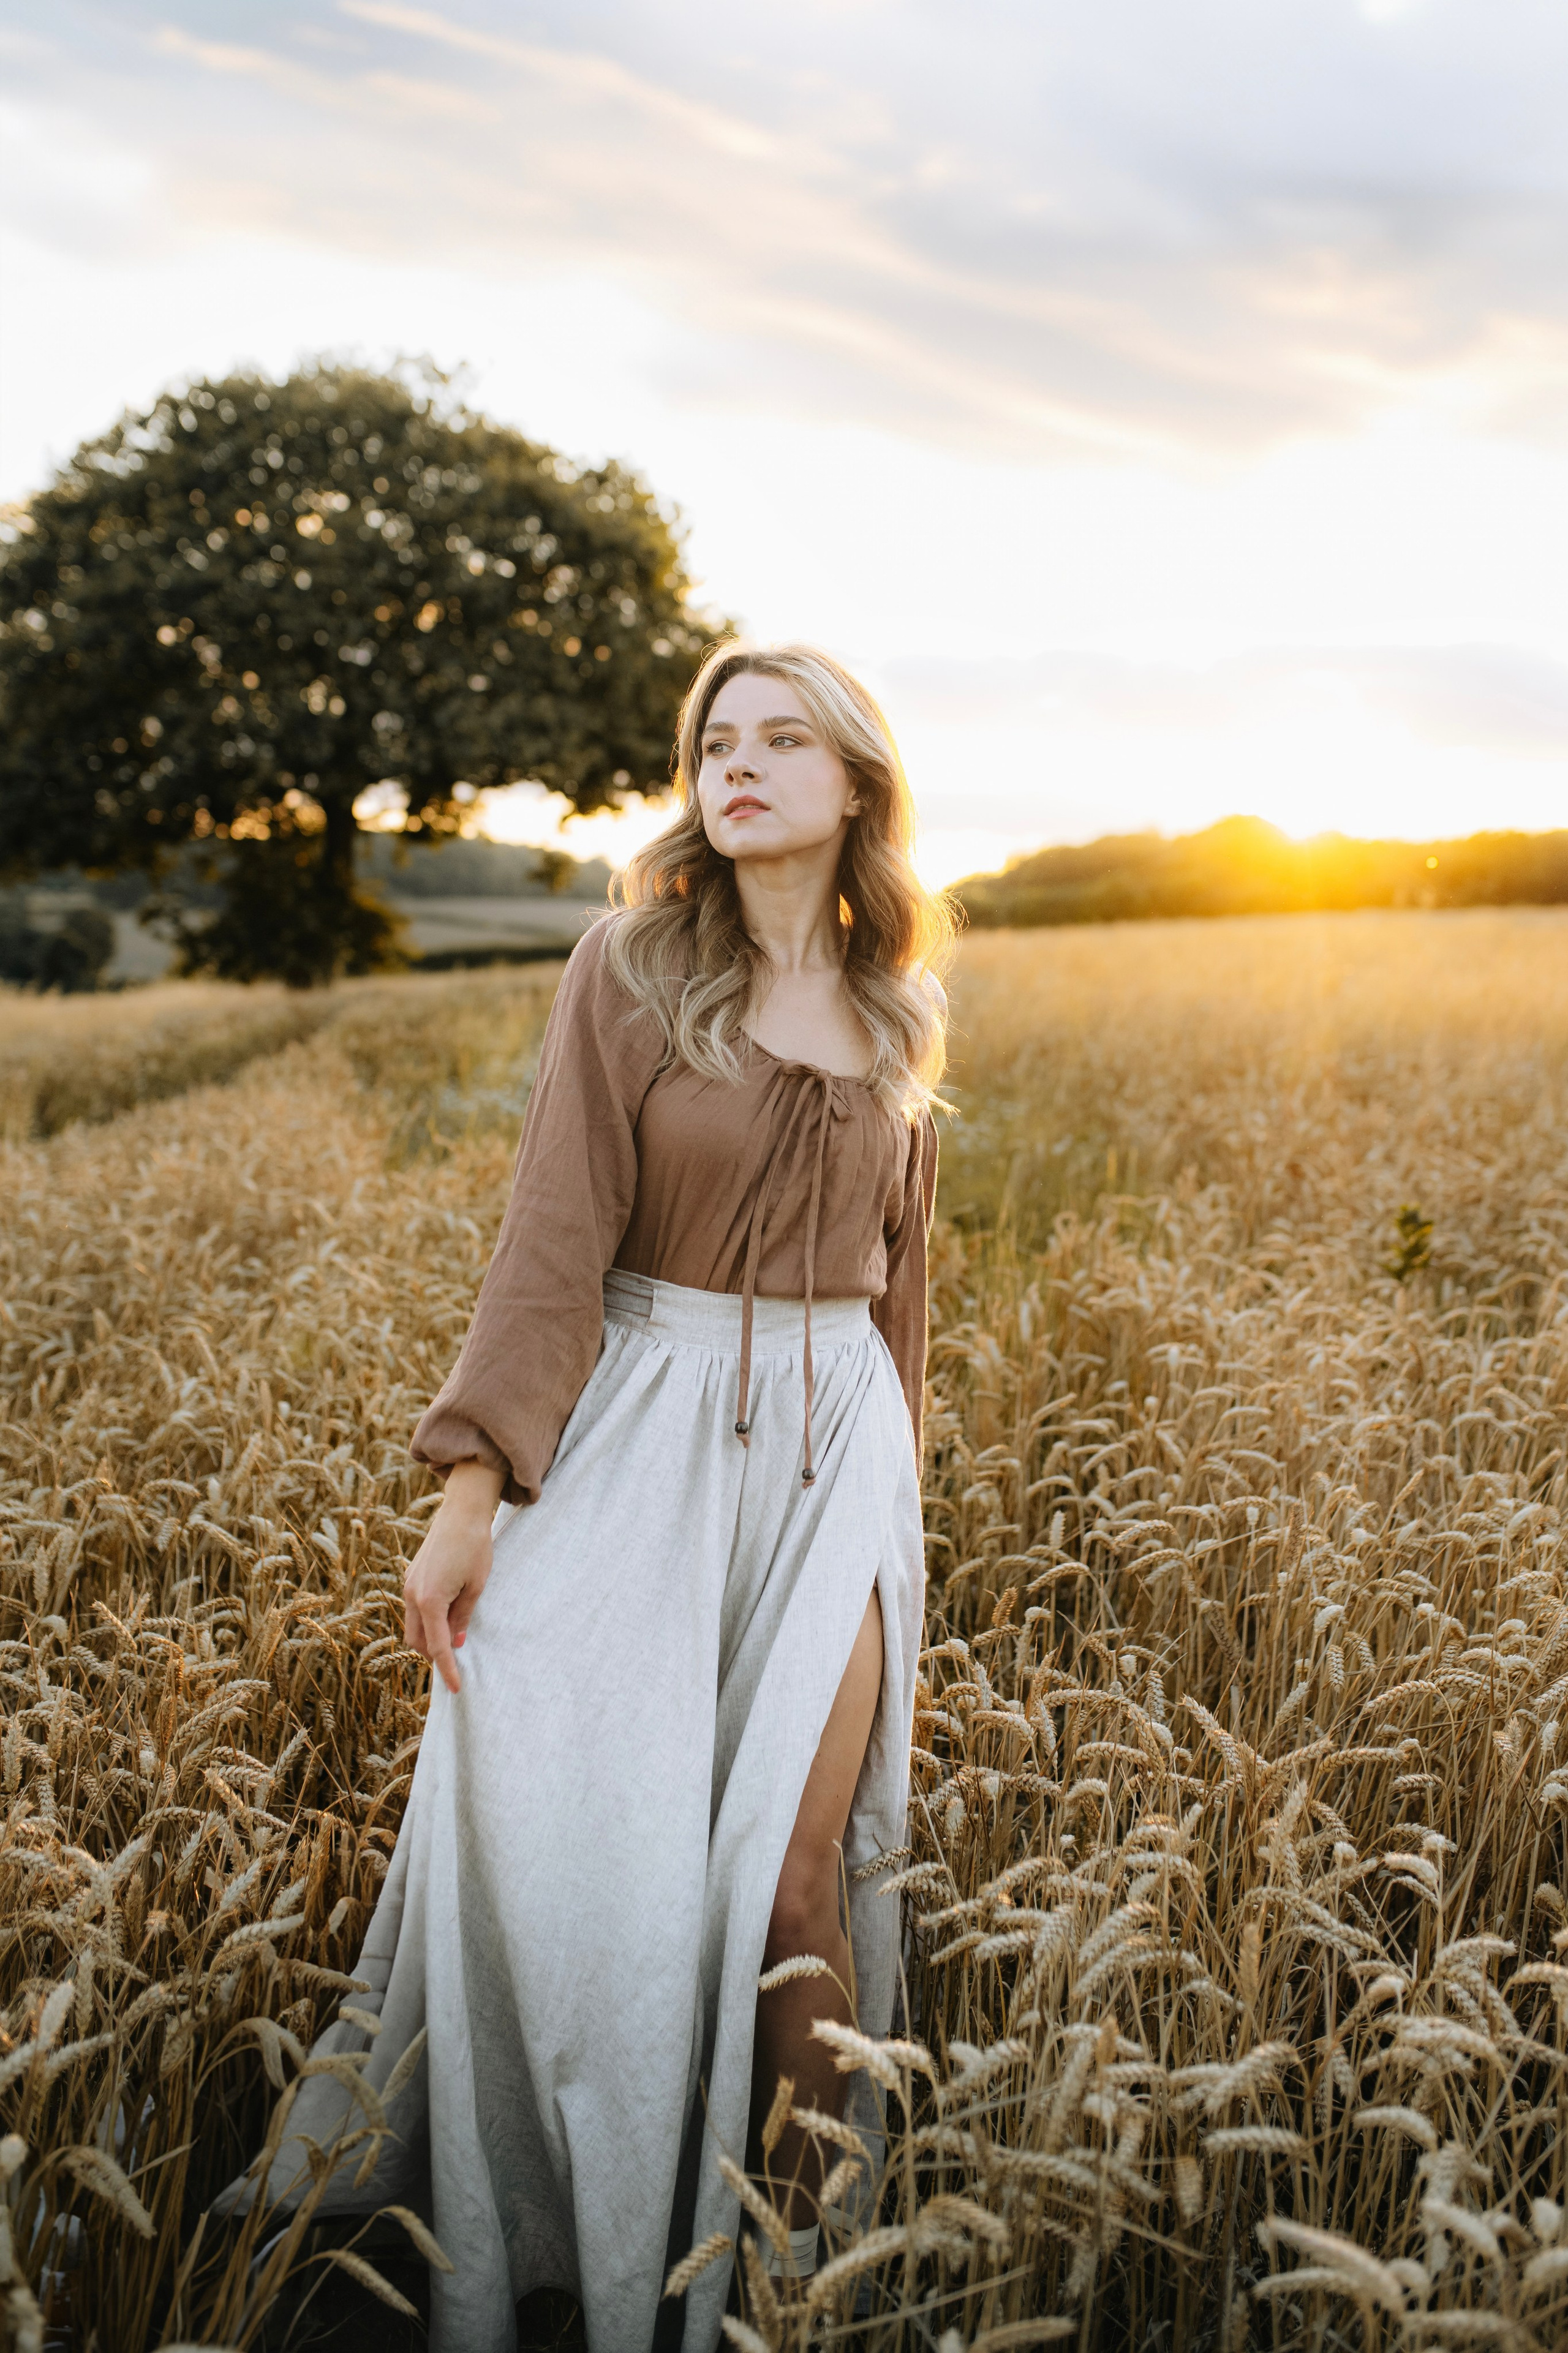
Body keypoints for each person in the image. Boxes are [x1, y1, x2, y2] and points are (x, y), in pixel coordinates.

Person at [239, 641, 952, 2353]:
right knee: (609, 1876)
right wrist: (472, 1488)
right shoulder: (630, 968)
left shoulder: (902, 1014)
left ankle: (793, 2288)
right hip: (640, 1434)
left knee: (795, 1879)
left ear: (857, 787)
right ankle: (585, 2231)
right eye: (720, 739)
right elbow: (554, 1239)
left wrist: (896, 1516)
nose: (743, 763)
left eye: (787, 740)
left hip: (832, 1462)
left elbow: (902, 1288)